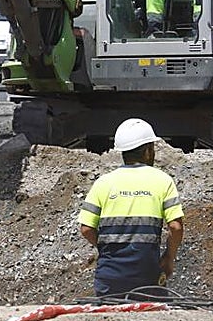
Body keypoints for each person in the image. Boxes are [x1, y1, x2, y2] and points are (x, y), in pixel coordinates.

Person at [78, 118, 184, 298]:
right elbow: (175, 227)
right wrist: (168, 258)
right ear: (149, 150)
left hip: (109, 277)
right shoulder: (163, 180)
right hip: (147, 275)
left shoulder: (103, 183)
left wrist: (106, 249)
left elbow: (86, 228)